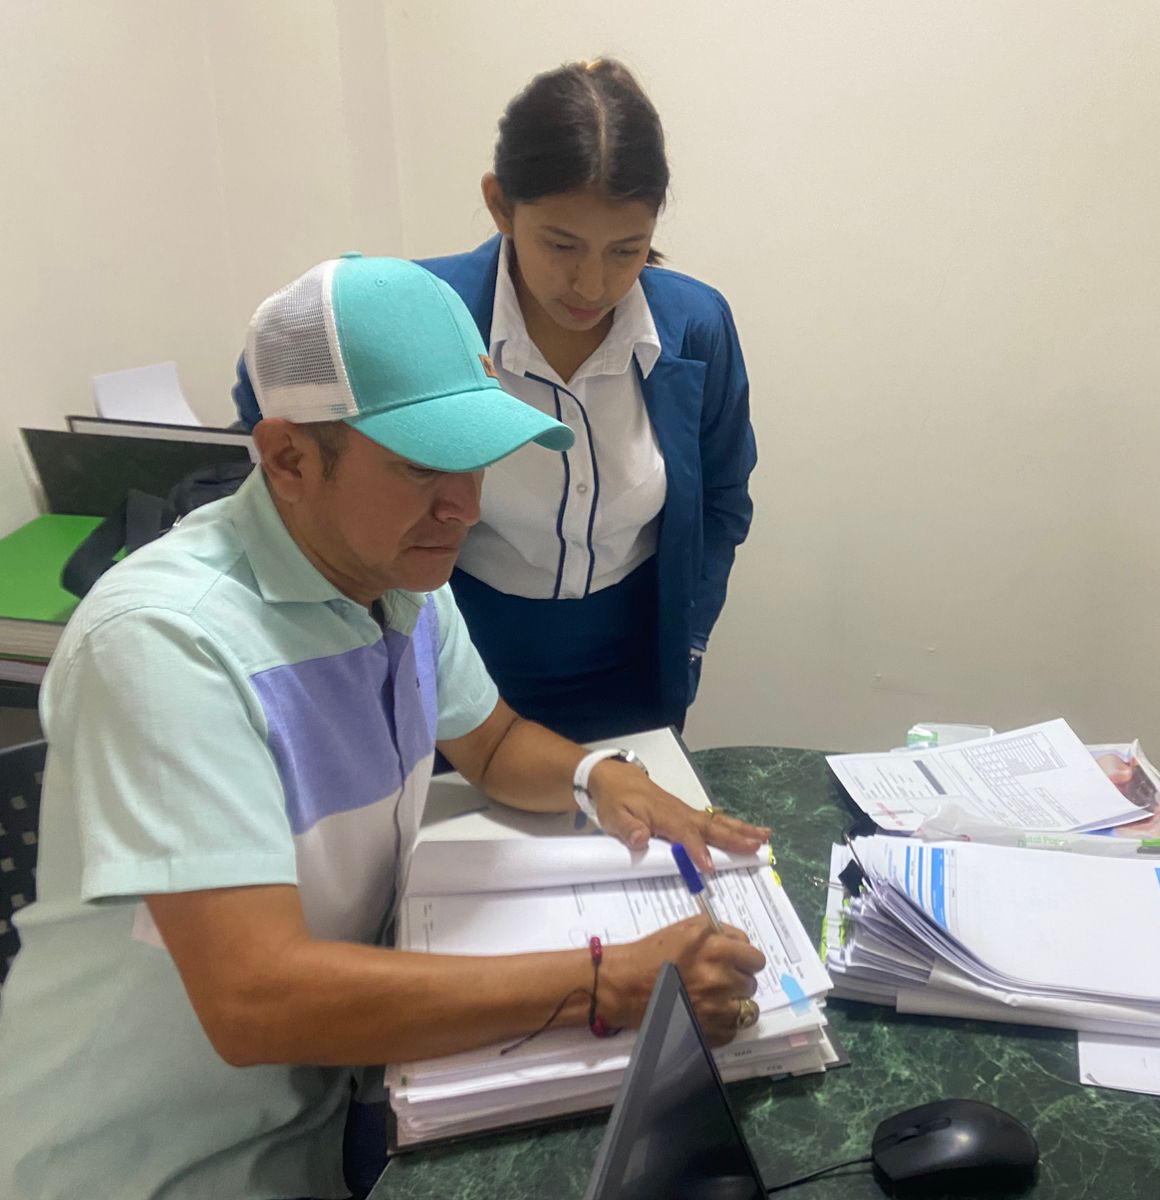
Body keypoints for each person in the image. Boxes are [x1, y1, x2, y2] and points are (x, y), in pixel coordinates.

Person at [0, 256, 770, 1200]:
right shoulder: (165, 641)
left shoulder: (399, 579)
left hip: (338, 1108)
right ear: (287, 456)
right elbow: (255, 1000)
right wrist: (613, 983)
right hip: (157, 1163)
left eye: (476, 462)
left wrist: (600, 777)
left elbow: (490, 743)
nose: (465, 507)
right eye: (420, 467)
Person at [233, 58, 757, 743]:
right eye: (561, 245)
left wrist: (689, 637)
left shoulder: (693, 328)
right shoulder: (425, 311)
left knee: (625, 809)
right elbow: (266, 389)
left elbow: (722, 500)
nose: (591, 284)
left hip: (635, 671)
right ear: (500, 205)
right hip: (452, 664)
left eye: (625, 251)